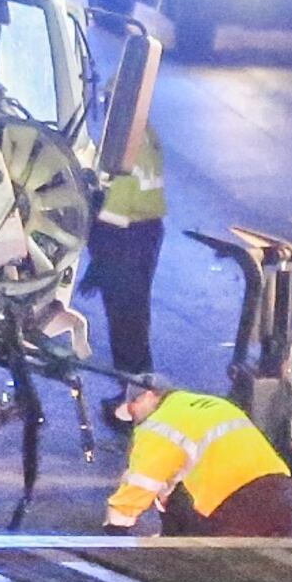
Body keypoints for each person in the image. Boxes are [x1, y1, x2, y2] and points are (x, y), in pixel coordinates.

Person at [104, 376, 292, 538]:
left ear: (148, 396)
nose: (135, 420)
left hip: (236, 502)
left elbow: (143, 481)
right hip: (280, 491)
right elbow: (169, 490)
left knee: (217, 569)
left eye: (132, 409)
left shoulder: (158, 423)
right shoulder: (213, 404)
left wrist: (116, 524)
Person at [87, 121, 167, 408]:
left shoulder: (123, 140)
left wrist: (99, 262)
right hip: (145, 233)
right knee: (135, 318)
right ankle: (137, 392)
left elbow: (114, 208)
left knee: (125, 324)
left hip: (124, 238)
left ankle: (134, 401)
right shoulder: (146, 132)